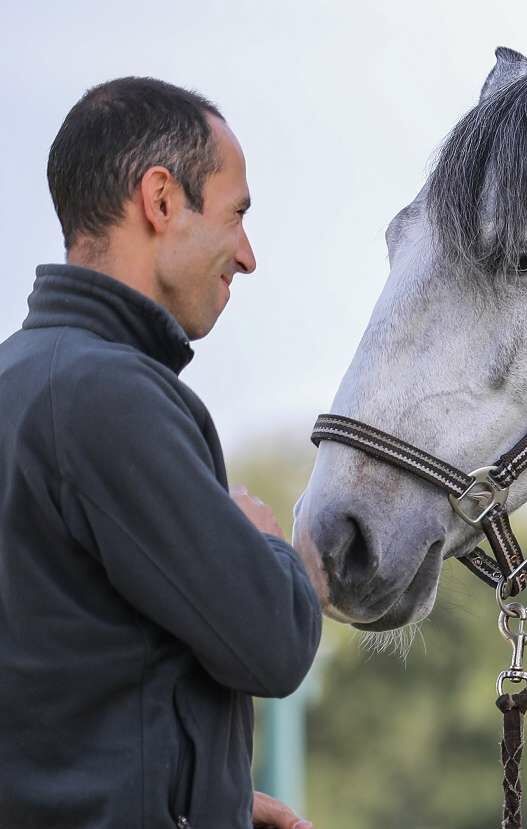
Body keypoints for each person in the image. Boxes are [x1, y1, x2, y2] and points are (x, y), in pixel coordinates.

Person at [0, 76, 325, 829]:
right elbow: (274, 642)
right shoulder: (109, 396)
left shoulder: (18, 382)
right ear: (161, 199)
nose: (247, 256)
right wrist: (260, 540)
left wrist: (216, 802)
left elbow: (51, 698)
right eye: (237, 213)